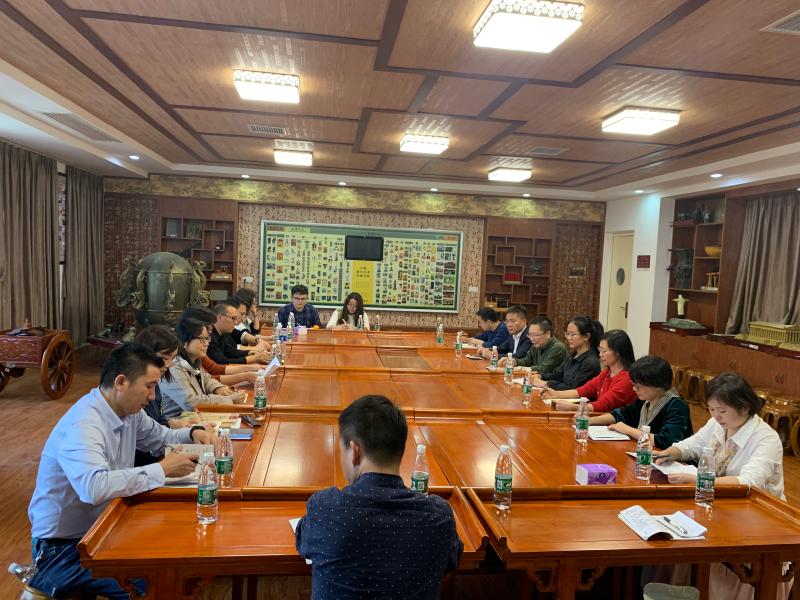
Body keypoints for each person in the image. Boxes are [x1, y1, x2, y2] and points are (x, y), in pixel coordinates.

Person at [26, 343, 215, 599]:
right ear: (121, 382)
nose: (153, 396)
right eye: (149, 386)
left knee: (176, 549)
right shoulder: (85, 423)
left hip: (103, 526)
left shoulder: (127, 411)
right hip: (62, 547)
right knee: (154, 583)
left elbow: (160, 437)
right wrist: (162, 469)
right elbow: (94, 488)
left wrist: (193, 433)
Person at [295, 395, 462, 599]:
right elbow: (452, 559)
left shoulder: (325, 509)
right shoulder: (439, 517)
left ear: (355, 451)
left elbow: (303, 543)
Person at [655, 373, 789, 599]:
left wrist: (698, 480)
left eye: (722, 410)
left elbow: (749, 482)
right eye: (711, 409)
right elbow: (694, 444)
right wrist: (670, 453)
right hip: (720, 505)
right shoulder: (719, 424)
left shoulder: (765, 438)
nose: (716, 416)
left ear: (745, 407)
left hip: (758, 517)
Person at [588, 355, 692, 449]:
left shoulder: (676, 406)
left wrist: (628, 430)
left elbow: (667, 441)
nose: (634, 389)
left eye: (638, 386)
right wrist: (589, 421)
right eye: (634, 385)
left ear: (657, 385)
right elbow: (622, 414)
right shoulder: (645, 400)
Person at [160, 318, 247, 420]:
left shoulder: (194, 359)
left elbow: (206, 379)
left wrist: (217, 388)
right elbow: (191, 403)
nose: (206, 343)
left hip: (196, 419)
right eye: (202, 339)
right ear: (185, 341)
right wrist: (228, 400)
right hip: (178, 424)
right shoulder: (174, 367)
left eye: (207, 338)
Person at [544, 329, 636, 412]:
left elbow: (602, 405)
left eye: (604, 351)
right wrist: (556, 394)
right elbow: (583, 390)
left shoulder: (626, 378)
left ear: (618, 352)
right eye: (600, 350)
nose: (600, 354)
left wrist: (572, 407)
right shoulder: (607, 372)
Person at [180, 306, 264, 385]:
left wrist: (248, 372)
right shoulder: (178, 367)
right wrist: (246, 373)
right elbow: (220, 364)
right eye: (202, 338)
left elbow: (212, 373)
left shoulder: (198, 352)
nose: (206, 343)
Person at [533, 315, 602, 391]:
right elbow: (556, 375)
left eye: (572, 334)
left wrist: (546, 383)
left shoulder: (590, 362)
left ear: (586, 336)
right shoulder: (572, 356)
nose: (568, 338)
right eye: (567, 334)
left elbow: (573, 388)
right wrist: (540, 376)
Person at [207, 300, 268, 365]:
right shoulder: (209, 336)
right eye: (233, 318)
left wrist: (250, 352)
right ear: (219, 317)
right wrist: (253, 358)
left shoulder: (223, 333)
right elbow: (222, 362)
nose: (235, 323)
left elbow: (231, 352)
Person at [498, 316, 566, 373]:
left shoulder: (558, 347)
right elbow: (526, 361)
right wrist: (513, 361)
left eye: (535, 335)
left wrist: (520, 368)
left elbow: (545, 369)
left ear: (548, 334)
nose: (531, 339)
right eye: (530, 335)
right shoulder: (536, 345)